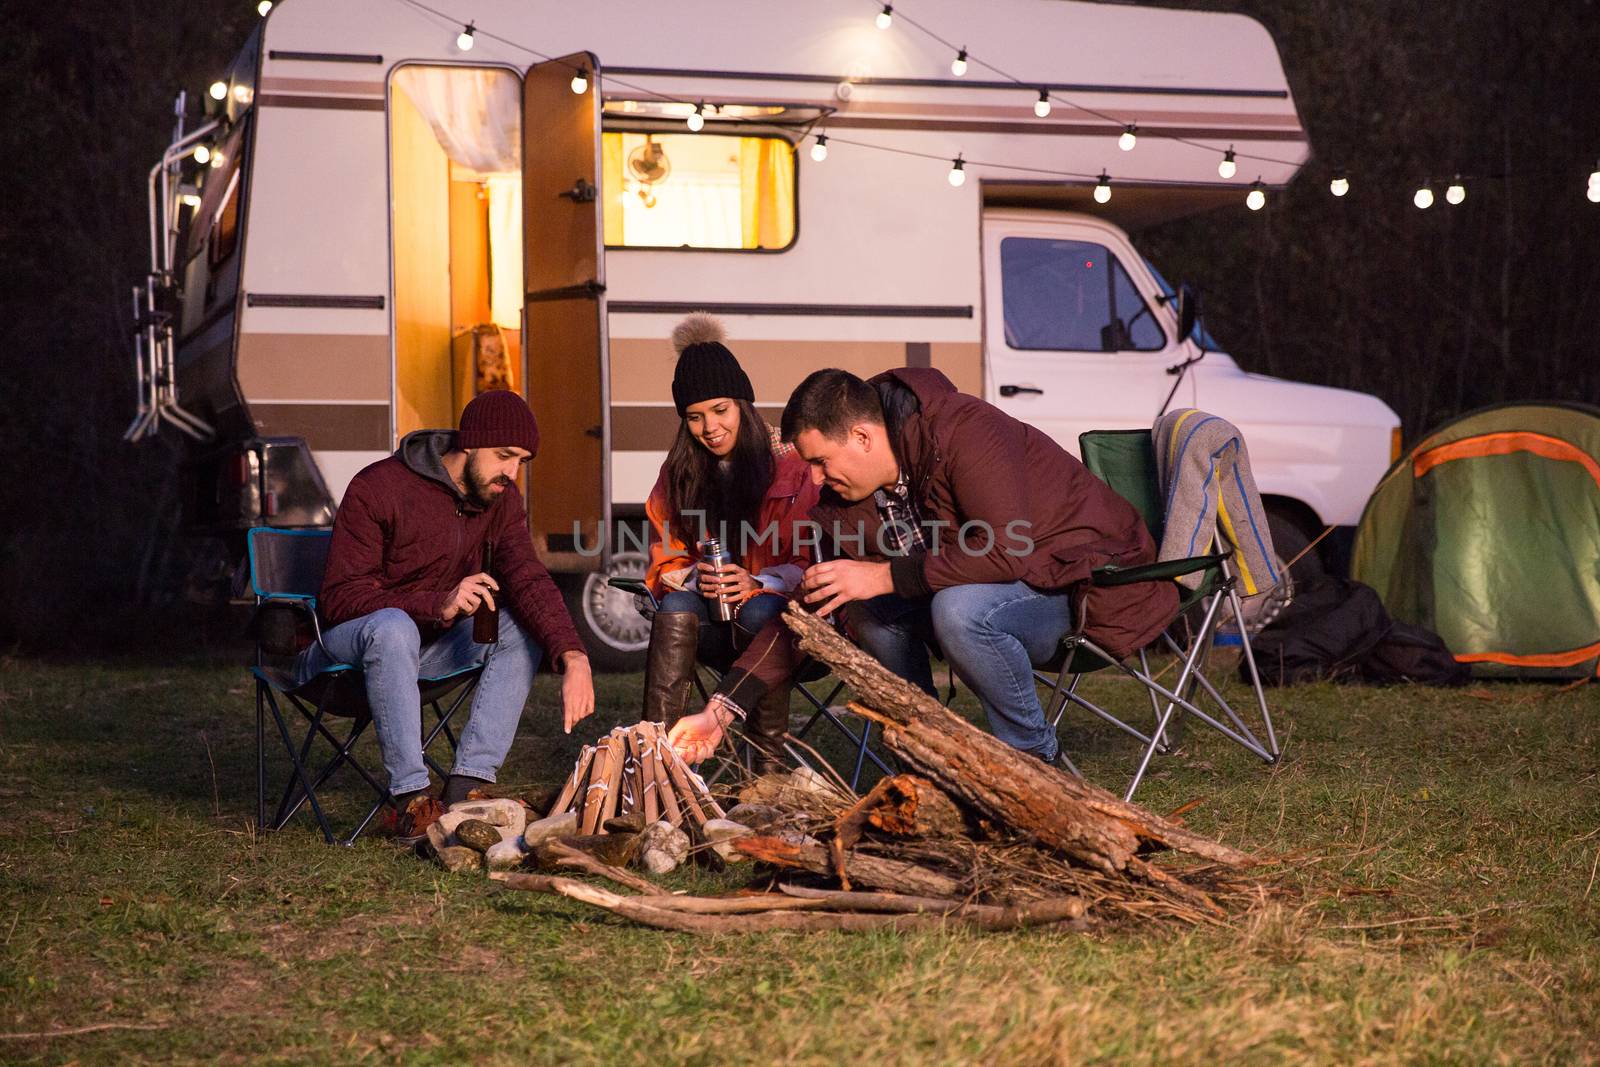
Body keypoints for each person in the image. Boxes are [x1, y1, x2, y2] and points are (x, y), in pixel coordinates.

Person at [670, 367, 1177, 766]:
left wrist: (883, 576)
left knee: (959, 608)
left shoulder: (965, 430)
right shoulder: (848, 504)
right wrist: (720, 712)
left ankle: (1031, 757)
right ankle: (927, 750)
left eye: (822, 462)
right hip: (997, 592)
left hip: (1086, 582)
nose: (818, 481)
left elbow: (1006, 550)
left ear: (863, 438)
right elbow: (808, 611)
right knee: (866, 609)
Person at [301, 390, 595, 842]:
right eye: (504, 456)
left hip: (424, 651)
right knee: (393, 626)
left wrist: (573, 654)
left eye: (521, 461)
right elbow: (340, 599)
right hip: (343, 650)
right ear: (470, 444)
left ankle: (469, 787)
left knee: (517, 626)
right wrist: (436, 602)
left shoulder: (500, 498)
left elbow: (528, 578)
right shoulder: (379, 487)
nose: (511, 473)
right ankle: (411, 800)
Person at [640, 315, 818, 771]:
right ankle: (658, 762)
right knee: (675, 608)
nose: (710, 427)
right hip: (710, 623)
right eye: (695, 417)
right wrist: (696, 576)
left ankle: (767, 771)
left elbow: (809, 561)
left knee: (762, 608)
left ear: (743, 404)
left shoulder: (791, 465)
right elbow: (665, 562)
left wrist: (756, 580)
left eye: (720, 410)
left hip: (780, 631)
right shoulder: (678, 473)